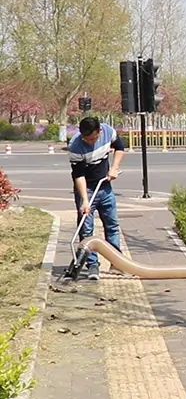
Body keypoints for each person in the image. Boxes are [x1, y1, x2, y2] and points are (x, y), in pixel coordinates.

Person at [69, 117, 125, 281]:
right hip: (86, 188)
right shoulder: (75, 146)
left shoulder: (108, 131)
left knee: (112, 225)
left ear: (100, 131)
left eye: (93, 138)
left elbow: (120, 148)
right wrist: (85, 200)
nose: (89, 141)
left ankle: (116, 263)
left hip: (105, 186)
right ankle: (92, 265)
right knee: (86, 229)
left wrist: (114, 168)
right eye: (86, 139)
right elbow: (78, 176)